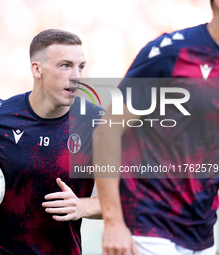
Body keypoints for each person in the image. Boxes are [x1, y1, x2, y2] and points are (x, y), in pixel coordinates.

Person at [0, 29, 103, 254]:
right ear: (37, 69)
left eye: (80, 66)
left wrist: (83, 206)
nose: (76, 76)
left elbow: (127, 196)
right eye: (65, 65)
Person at [93, 1, 219, 254]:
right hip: (147, 223)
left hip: (202, 232)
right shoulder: (172, 52)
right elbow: (107, 132)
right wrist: (113, 222)